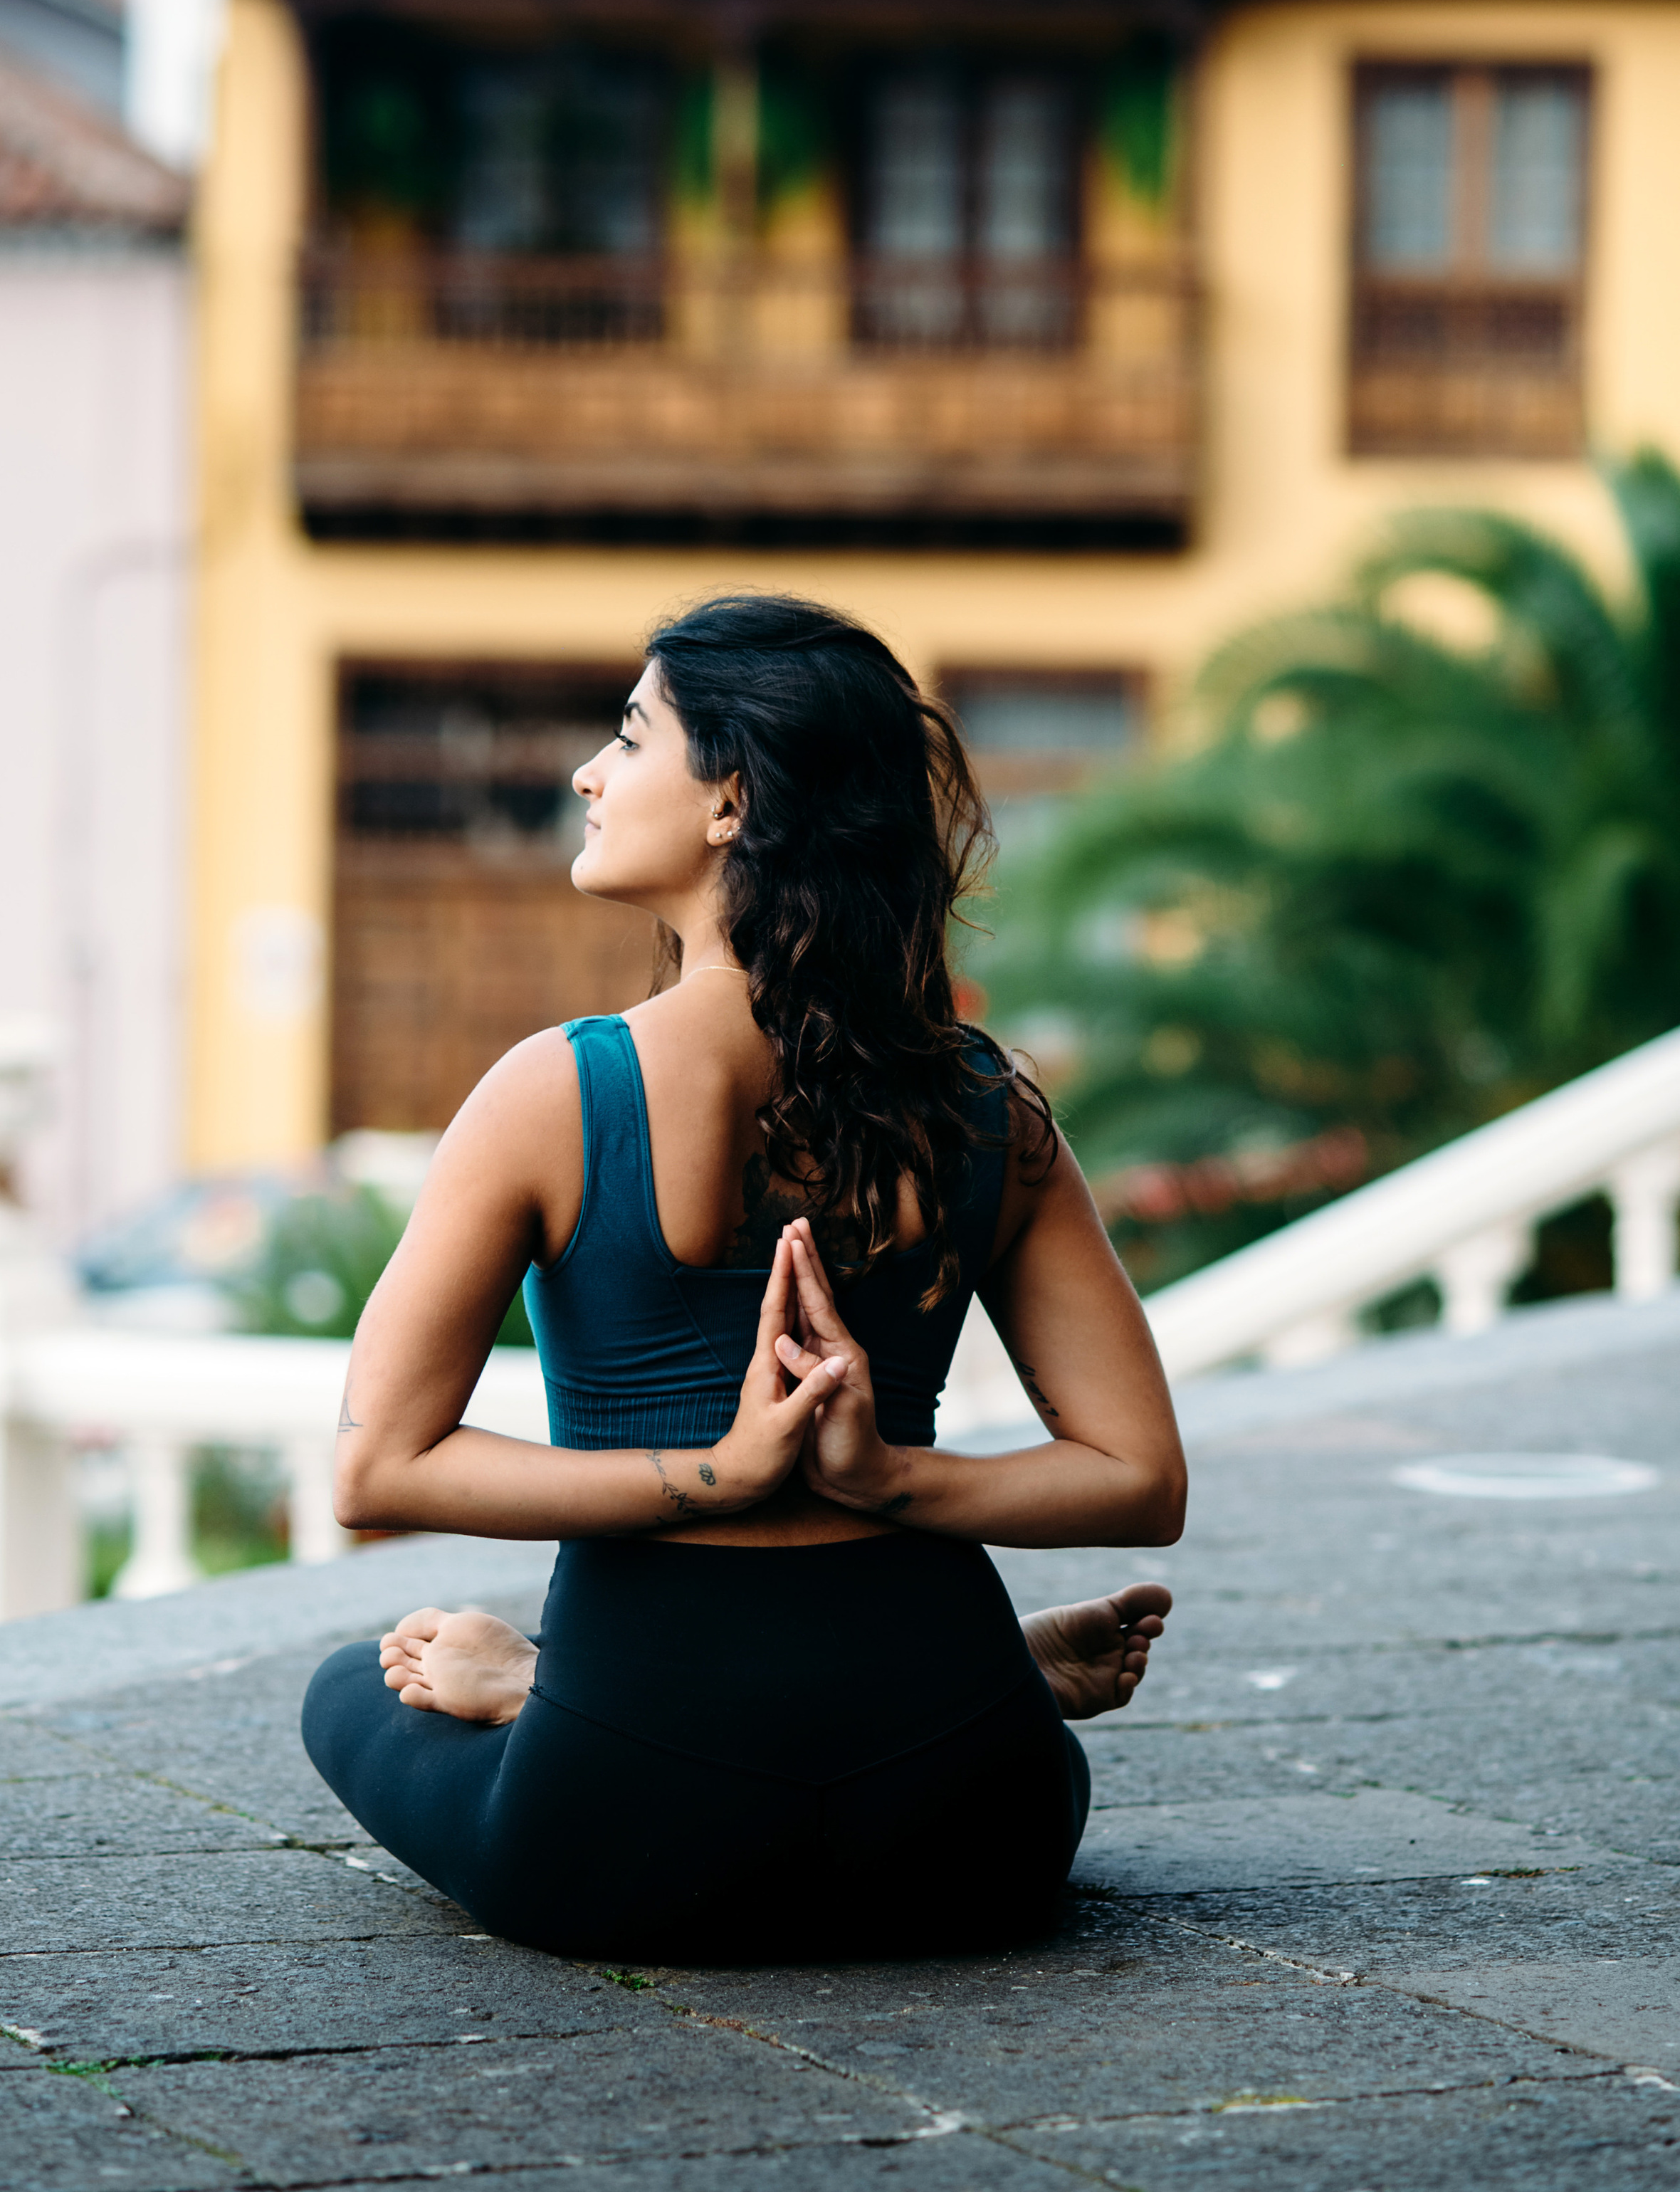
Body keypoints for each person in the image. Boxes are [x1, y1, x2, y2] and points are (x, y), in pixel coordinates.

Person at [303, 594, 1185, 1963]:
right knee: (949, 1717)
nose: (589, 774)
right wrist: (886, 1478)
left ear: (733, 800)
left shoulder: (555, 1091)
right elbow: (1141, 1480)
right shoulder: (984, 1106)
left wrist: (715, 1475)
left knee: (344, 1694)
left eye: (628, 736)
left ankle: (546, 1688)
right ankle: (997, 1673)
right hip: (976, 1827)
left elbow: (378, 1471)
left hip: (632, 1826)